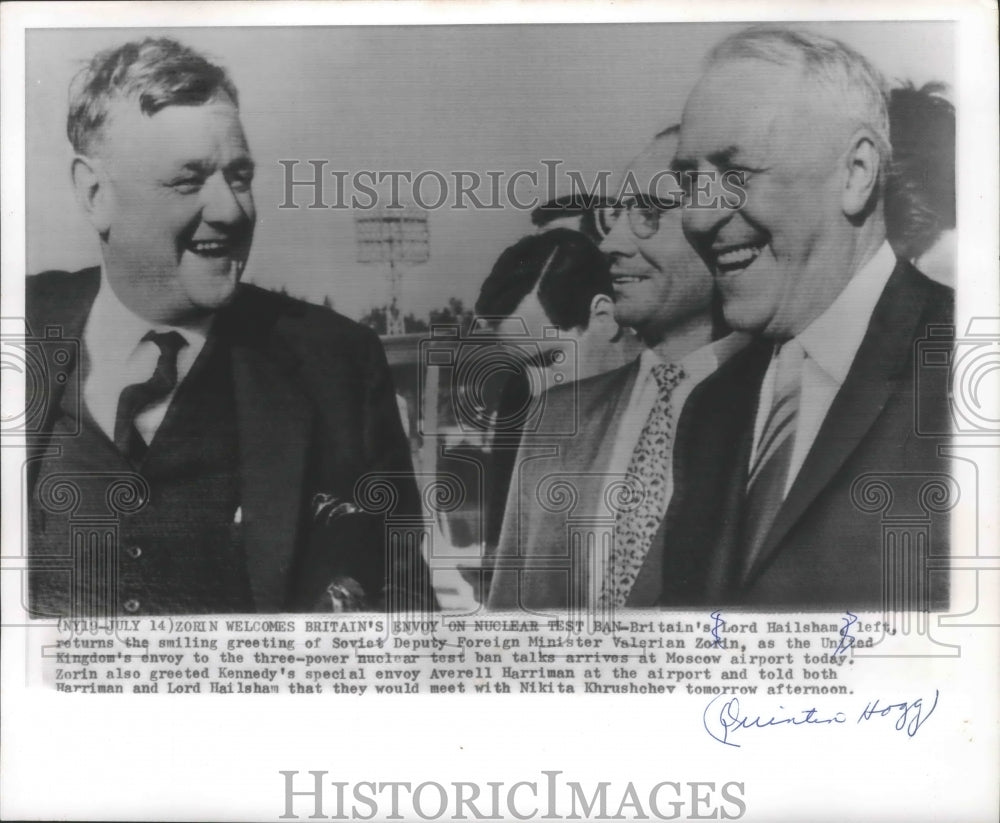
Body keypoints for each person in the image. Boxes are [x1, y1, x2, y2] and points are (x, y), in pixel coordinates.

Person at [26, 38, 434, 617]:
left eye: (239, 177)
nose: (231, 210)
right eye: (188, 181)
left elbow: (405, 602)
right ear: (95, 194)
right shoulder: (20, 323)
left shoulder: (337, 364)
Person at [665, 26, 953, 609]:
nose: (697, 218)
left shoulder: (968, 370)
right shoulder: (709, 411)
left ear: (855, 172)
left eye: (736, 173)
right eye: (689, 180)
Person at [487, 128, 749, 610]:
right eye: (616, 215)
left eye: (649, 213)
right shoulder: (552, 420)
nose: (610, 244)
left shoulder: (781, 408)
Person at [469, 228, 636, 597]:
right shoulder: (532, 418)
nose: (537, 390)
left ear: (604, 316)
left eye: (550, 360)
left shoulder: (678, 404)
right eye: (523, 370)